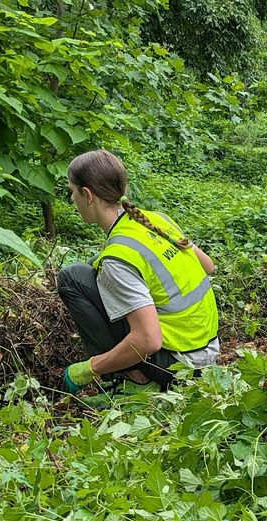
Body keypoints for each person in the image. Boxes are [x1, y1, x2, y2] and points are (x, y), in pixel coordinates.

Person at [57, 149, 220, 393]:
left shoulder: (118, 258)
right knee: (93, 264)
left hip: (178, 366)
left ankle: (135, 382)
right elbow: (208, 266)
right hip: (206, 351)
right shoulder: (155, 220)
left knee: (71, 278)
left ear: (87, 195)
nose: (72, 199)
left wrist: (90, 368)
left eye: (72, 191)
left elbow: (148, 340)